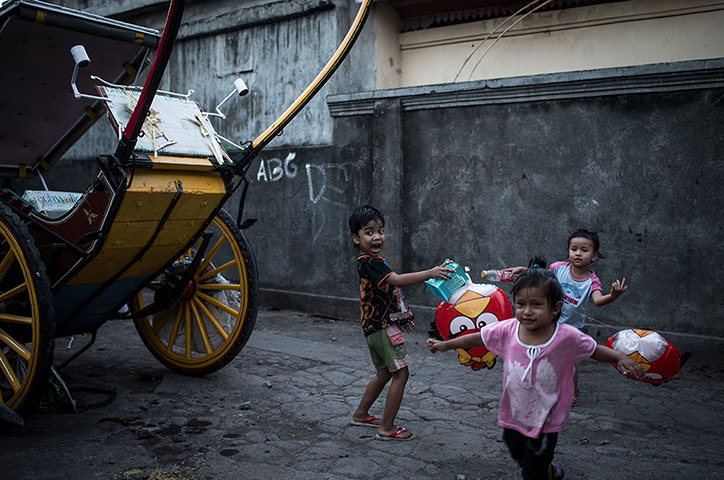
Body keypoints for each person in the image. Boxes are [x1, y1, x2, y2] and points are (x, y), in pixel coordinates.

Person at [427, 268, 643, 479]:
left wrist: (619, 357)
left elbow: (595, 350)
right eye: (521, 304)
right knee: (517, 451)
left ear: (556, 307)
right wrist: (446, 345)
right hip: (514, 412)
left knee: (532, 471)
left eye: (536, 305)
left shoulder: (567, 337)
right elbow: (477, 338)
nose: (527, 311)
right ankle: (549, 471)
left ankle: (542, 471)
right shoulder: (508, 329)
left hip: (546, 419)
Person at [348, 205, 453, 441]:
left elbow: (388, 290)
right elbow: (396, 280)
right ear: (356, 238)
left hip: (372, 329)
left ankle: (360, 413)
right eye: (369, 232)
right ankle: (387, 428)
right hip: (383, 329)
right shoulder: (372, 263)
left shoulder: (368, 262)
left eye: (381, 230)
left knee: (384, 373)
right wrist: (430, 273)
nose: (377, 237)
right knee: (401, 374)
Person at [504, 229, 628, 405]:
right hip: (549, 324)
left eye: (584, 250)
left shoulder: (592, 281)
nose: (578, 253)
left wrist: (613, 296)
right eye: (574, 249)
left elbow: (599, 300)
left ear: (594, 256)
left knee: (569, 364)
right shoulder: (558, 268)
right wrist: (524, 271)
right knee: (539, 356)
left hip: (572, 329)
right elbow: (543, 277)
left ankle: (572, 394)